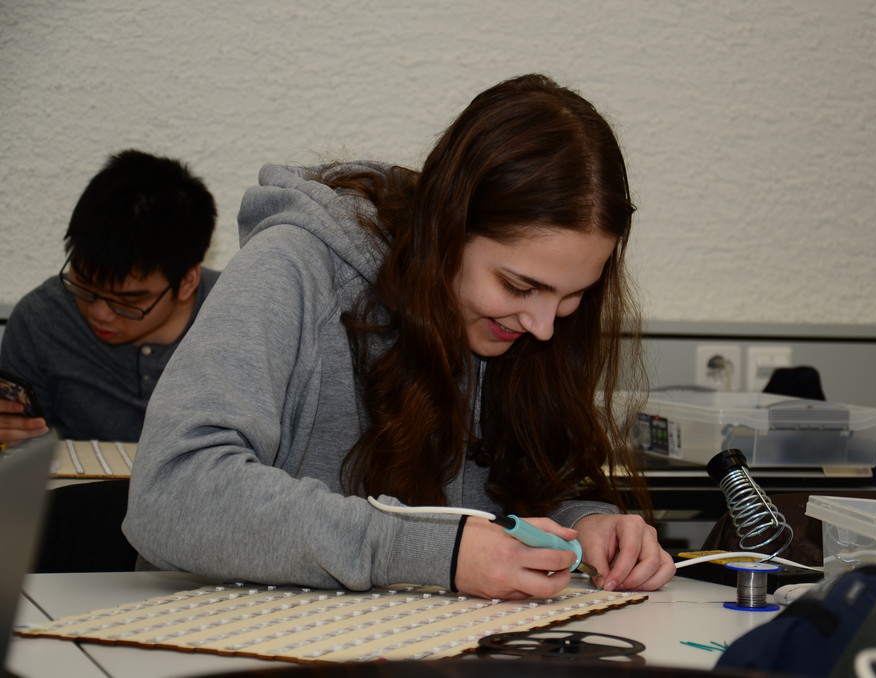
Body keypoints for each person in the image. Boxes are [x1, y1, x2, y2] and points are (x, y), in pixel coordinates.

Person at [124, 74, 676, 600]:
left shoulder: (518, 328)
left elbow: (516, 498)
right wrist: (430, 550)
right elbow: (171, 494)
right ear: (446, 230)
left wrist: (583, 524)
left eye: (572, 295)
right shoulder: (292, 268)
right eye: (518, 286)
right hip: (224, 633)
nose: (544, 325)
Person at [0, 149, 219, 445]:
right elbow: (24, 450)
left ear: (187, 282)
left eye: (127, 301)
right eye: (83, 285)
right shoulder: (41, 320)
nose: (99, 312)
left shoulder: (240, 319)